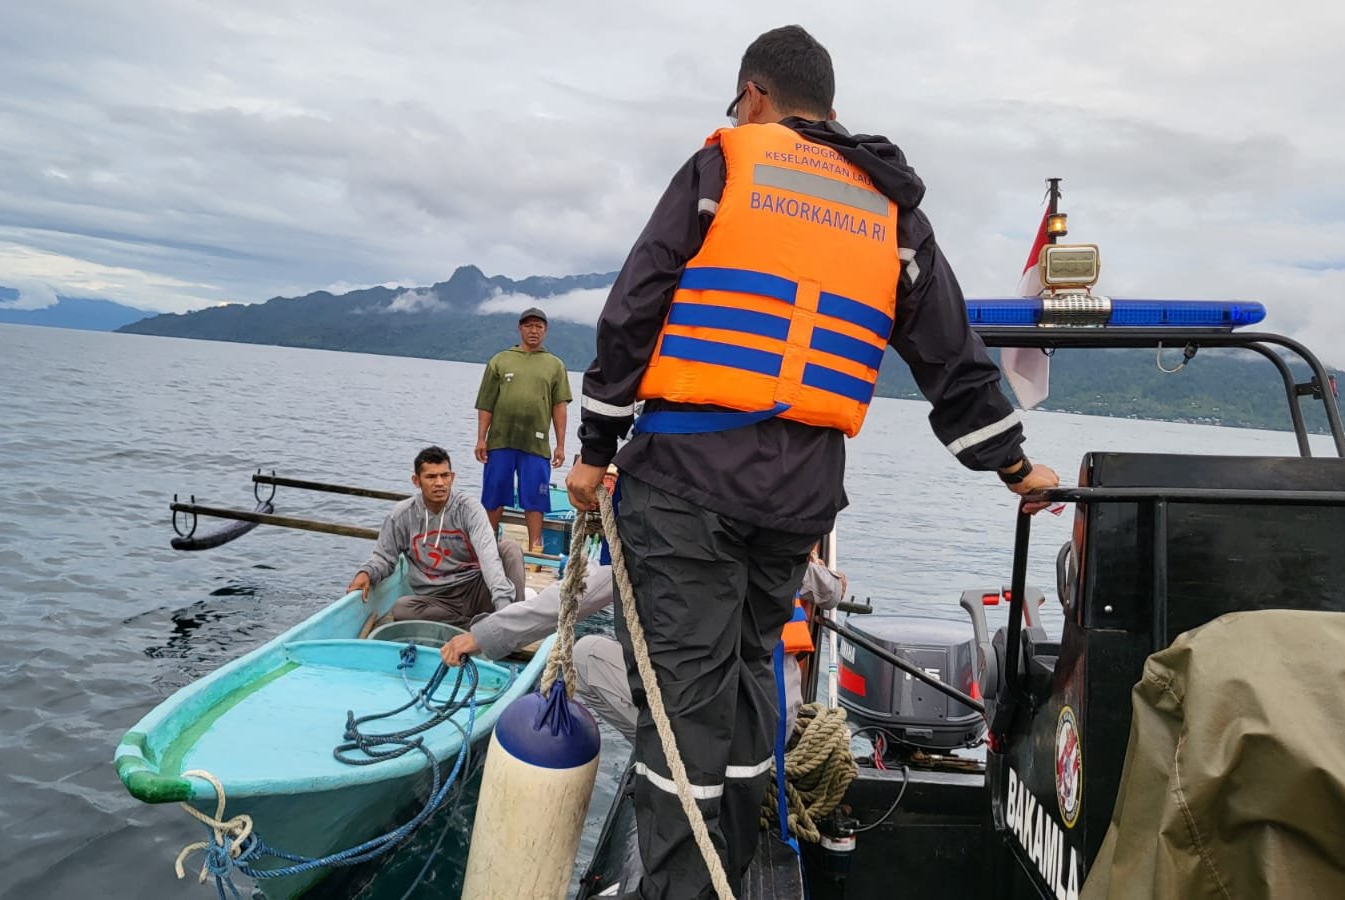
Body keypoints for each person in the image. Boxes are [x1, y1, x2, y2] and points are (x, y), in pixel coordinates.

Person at [564, 26, 1061, 899]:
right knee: (749, 675)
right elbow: (950, 349)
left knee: (680, 707)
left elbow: (637, 301)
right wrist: (1015, 467)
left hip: (687, 481)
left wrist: (594, 449)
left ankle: (680, 890)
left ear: (754, 95)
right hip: (798, 500)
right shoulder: (889, 208)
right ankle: (740, 861)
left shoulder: (724, 167)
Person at [439, 528, 845, 742]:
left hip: (706, 736)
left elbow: (569, 598)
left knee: (585, 654)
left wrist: (482, 637)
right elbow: (832, 589)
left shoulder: (661, 545)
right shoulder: (777, 560)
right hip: (772, 731)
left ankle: (658, 758)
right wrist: (831, 578)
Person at [348, 446, 526, 627]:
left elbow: (488, 556)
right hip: (438, 600)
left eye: (445, 475)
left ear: (452, 477)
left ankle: (513, 621)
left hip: (477, 589)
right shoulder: (402, 515)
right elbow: (384, 558)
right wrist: (366, 573)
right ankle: (475, 626)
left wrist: (502, 604)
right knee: (401, 609)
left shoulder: (468, 509)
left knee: (510, 548)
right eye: (431, 477)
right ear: (416, 481)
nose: (440, 483)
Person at [474, 307, 573, 553]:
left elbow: (559, 407)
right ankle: (487, 548)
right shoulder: (500, 360)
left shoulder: (555, 365)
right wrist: (481, 439)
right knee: (494, 495)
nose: (533, 330)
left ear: (545, 331)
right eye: (528, 325)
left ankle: (535, 549)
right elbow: (486, 403)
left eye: (539, 326)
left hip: (536, 445)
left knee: (536, 498)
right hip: (500, 441)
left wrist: (560, 445)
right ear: (519, 329)